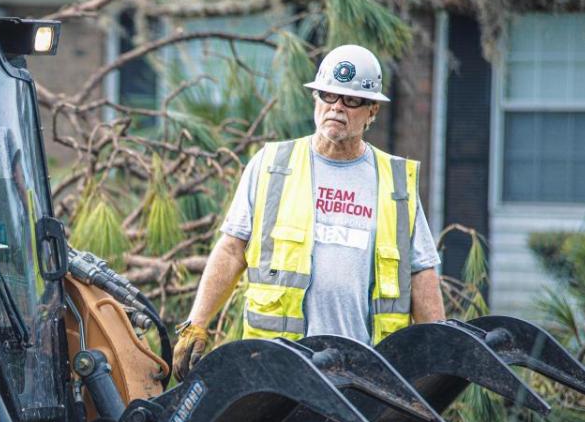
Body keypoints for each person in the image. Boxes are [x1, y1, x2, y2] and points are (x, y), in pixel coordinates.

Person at [172, 44, 445, 380]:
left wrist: (439, 354)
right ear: (315, 99)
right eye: (328, 96)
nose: (336, 107)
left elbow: (421, 273)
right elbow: (231, 250)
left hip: (365, 373)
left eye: (351, 100)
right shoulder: (273, 166)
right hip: (277, 367)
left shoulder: (396, 182)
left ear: (372, 111)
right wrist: (197, 323)